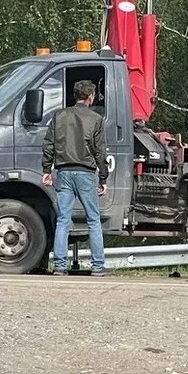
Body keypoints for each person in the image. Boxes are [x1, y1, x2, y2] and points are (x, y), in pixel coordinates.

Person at [42, 79, 109, 276]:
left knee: (63, 219)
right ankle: (97, 266)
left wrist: (47, 170)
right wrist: (103, 178)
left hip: (63, 172)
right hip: (86, 174)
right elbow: (100, 152)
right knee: (93, 219)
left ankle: (60, 266)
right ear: (91, 97)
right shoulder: (96, 119)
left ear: (75, 96)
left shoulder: (59, 116)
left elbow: (48, 145)